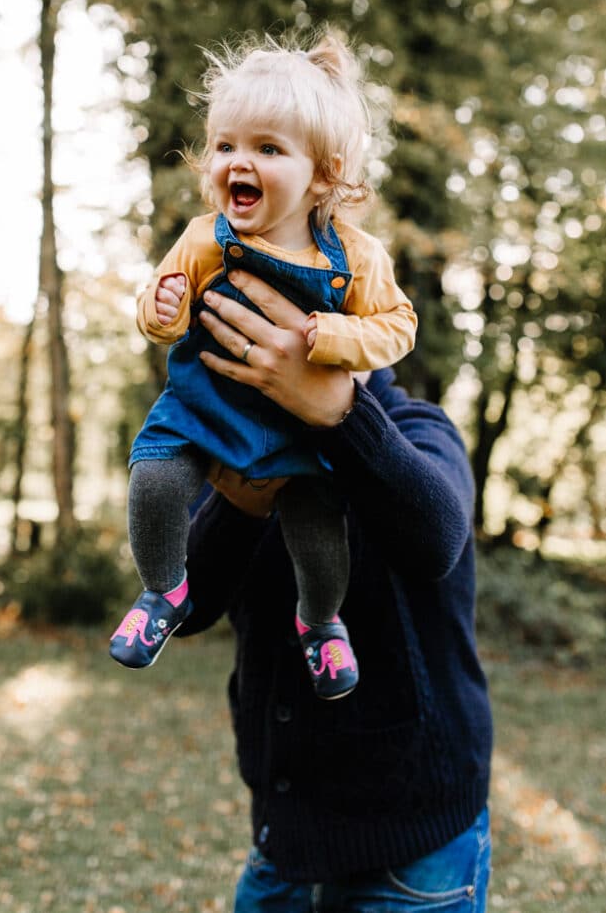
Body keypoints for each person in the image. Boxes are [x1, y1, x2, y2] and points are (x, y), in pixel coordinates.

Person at [110, 32, 417, 699]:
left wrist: (334, 335)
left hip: (299, 433)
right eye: (226, 145)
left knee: (316, 527)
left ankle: (319, 621)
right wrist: (161, 307)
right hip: (201, 412)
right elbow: (159, 311)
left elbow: (398, 327)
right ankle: (163, 591)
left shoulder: (355, 258)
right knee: (153, 480)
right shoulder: (201, 238)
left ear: (323, 174)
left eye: (267, 149)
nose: (236, 163)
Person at [176, 271, 493, 912]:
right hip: (283, 842)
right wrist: (239, 504)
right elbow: (185, 606)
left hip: (414, 850)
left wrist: (340, 415)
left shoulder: (420, 428)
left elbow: (438, 540)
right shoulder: (237, 445)